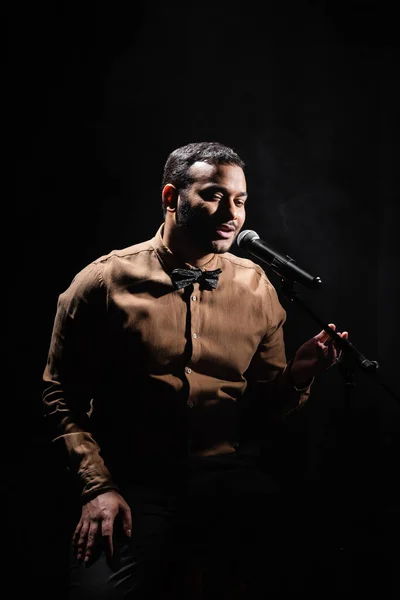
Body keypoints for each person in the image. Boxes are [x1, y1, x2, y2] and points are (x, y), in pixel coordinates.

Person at [42, 141, 348, 599]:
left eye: (240, 200)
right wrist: (96, 488)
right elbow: (59, 394)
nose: (231, 213)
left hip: (225, 482)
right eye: (214, 195)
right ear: (171, 198)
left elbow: (266, 408)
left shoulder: (257, 287)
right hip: (133, 483)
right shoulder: (102, 283)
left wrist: (299, 375)